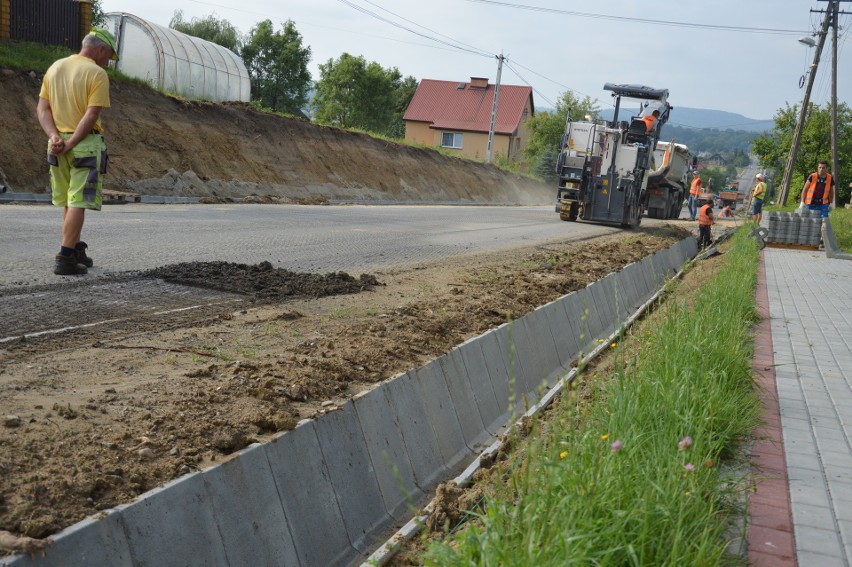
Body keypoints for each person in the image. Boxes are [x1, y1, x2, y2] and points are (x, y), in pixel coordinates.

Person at [37, 27, 118, 275]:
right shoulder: (97, 74)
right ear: (100, 49)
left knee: (68, 201)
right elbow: (91, 114)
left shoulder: (55, 67)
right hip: (84, 145)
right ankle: (65, 258)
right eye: (109, 57)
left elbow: (43, 109)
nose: (108, 62)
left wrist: (54, 136)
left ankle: (74, 248)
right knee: (78, 201)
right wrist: (72, 143)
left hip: (56, 144)